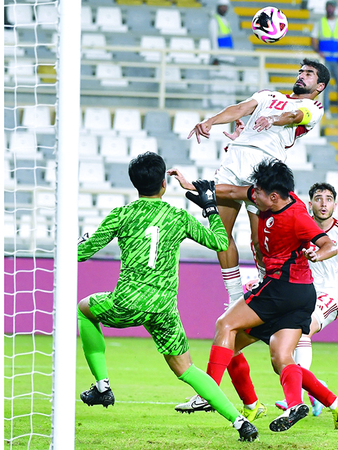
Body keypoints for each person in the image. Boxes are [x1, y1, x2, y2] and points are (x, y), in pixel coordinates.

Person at [77, 152, 258, 442]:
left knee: (84, 309)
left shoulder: (122, 214)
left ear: (135, 184)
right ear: (164, 184)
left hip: (127, 302)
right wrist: (211, 208)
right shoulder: (177, 217)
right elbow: (219, 242)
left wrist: (78, 243)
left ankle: (102, 386)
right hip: (164, 308)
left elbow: (82, 254)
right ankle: (240, 422)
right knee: (186, 369)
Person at [168, 159, 338, 433]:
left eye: (259, 194)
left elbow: (329, 244)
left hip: (280, 289)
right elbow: (233, 191)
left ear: (274, 196)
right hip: (301, 295)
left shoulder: (297, 216)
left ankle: (207, 394)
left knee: (225, 325)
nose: (253, 196)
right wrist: (192, 185)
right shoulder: (269, 196)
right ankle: (330, 404)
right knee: (279, 357)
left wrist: (317, 253)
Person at [187, 58, 329, 313]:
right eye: (300, 71)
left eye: (309, 73)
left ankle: (267, 287)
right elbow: (239, 109)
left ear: (320, 86)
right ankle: (234, 298)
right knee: (220, 235)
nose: (301, 75)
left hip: (265, 168)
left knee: (259, 240)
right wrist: (211, 121)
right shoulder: (268, 95)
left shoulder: (313, 107)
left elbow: (294, 116)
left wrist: (273, 119)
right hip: (235, 159)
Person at [269, 181, 338, 416]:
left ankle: (296, 397)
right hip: (306, 293)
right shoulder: (302, 228)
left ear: (334, 205)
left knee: (303, 330)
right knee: (283, 341)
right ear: (310, 204)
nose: (323, 204)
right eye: (318, 199)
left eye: (328, 199)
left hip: (334, 293)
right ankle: (315, 390)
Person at [311, 0, 338, 119]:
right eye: (328, 7)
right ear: (325, 8)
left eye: (332, 7)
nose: (330, 9)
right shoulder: (320, 22)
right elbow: (313, 38)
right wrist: (318, 51)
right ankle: (326, 109)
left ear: (335, 8)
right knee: (325, 85)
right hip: (325, 60)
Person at [209, 0, 234, 65]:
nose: (224, 9)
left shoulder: (225, 20)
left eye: (225, 7)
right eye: (222, 7)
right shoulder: (214, 21)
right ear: (218, 7)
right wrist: (215, 57)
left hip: (228, 55)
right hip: (220, 57)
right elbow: (213, 40)